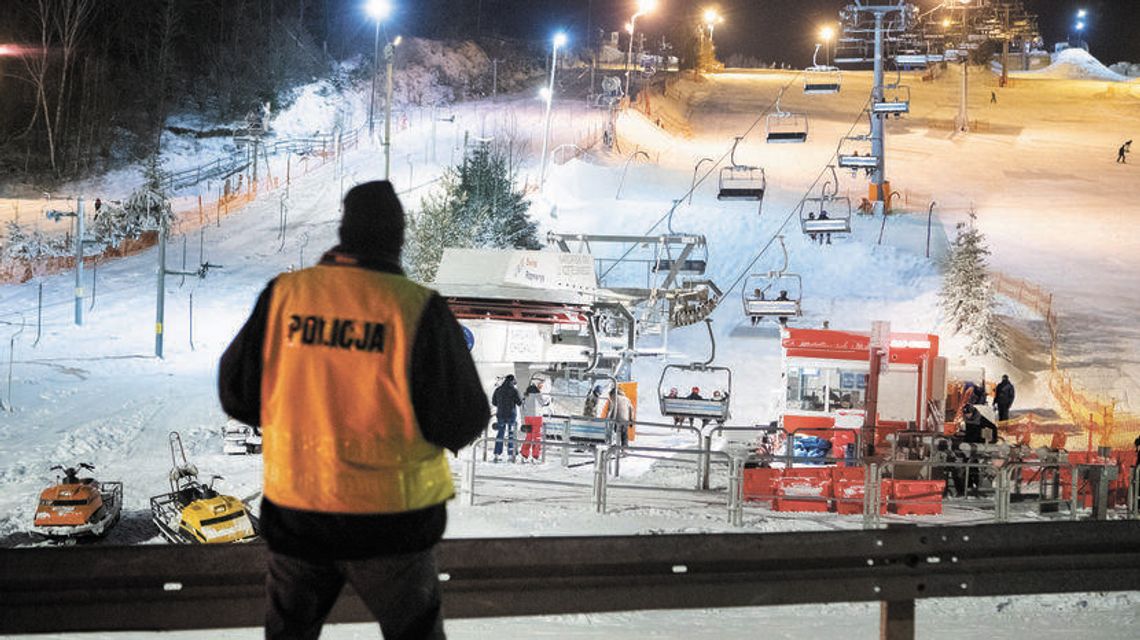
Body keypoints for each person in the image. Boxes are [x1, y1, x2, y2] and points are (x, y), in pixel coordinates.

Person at [218, 180, 488, 640]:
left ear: (343, 231)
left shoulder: (285, 296)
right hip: (394, 526)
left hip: (299, 516)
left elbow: (237, 394)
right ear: (397, 239)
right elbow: (461, 420)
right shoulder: (417, 310)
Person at [492, 375, 523, 462]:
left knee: (500, 433)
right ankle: (511, 454)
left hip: (500, 415)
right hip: (511, 415)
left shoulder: (498, 390)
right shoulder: (514, 390)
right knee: (511, 434)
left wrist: (501, 405)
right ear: (512, 381)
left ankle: (497, 454)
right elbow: (519, 402)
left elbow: (494, 402)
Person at [520, 378, 549, 462]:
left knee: (529, 436)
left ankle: (524, 454)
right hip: (536, 417)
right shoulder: (537, 394)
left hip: (527, 417)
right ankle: (535, 455)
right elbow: (543, 403)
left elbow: (522, 407)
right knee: (536, 436)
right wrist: (549, 400)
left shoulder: (526, 395)